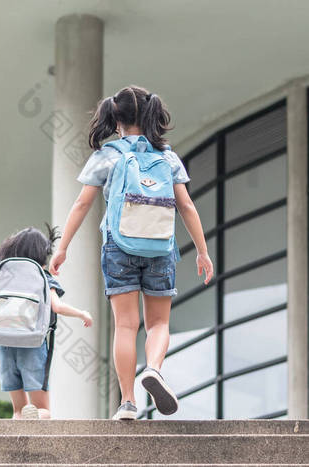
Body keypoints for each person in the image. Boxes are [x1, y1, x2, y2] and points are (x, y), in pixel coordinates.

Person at [49, 85, 214, 420]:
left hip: (118, 247)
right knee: (158, 323)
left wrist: (62, 247)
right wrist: (202, 251)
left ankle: (127, 402)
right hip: (160, 247)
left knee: (125, 326)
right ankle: (153, 368)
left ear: (116, 117)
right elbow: (186, 206)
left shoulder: (108, 155)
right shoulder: (167, 157)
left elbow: (82, 203)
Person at [0, 225, 93, 419]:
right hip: (32, 345)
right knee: (42, 409)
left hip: (4, 346)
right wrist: (82, 314)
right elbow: (57, 307)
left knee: (18, 410)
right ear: (42, 255)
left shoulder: (1, 278)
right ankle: (37, 416)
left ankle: (19, 436)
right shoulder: (43, 277)